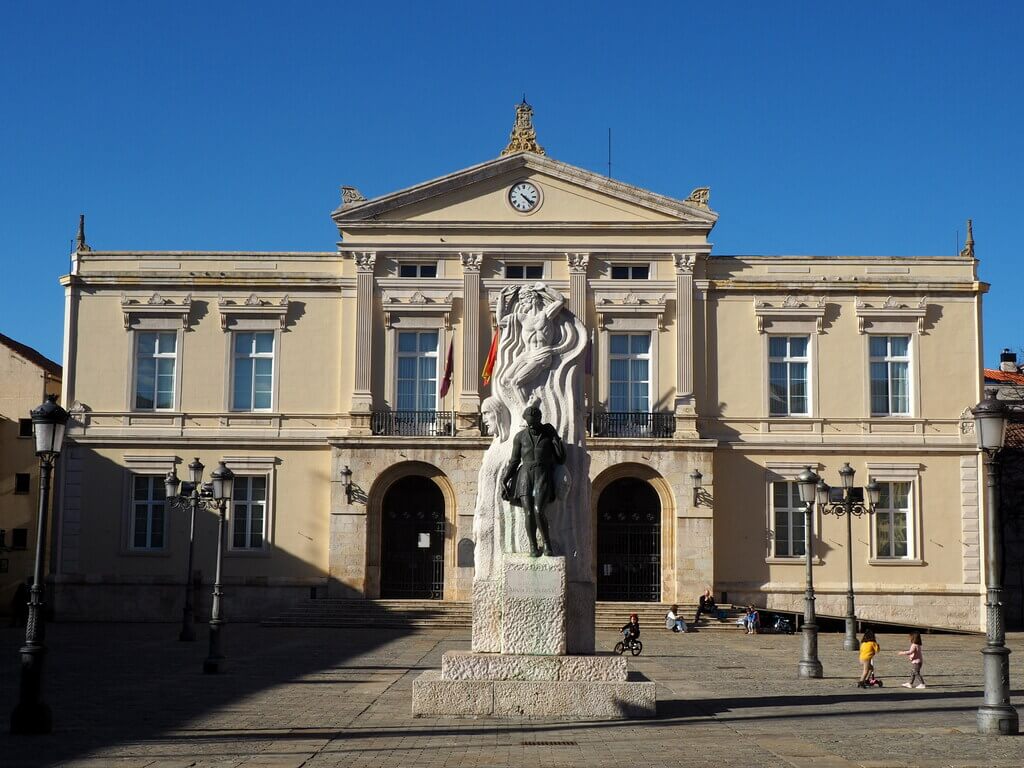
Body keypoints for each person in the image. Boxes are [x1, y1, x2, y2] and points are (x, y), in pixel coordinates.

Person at [500, 405, 566, 557]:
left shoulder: (548, 435)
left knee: (538, 510)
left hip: (542, 475)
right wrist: (506, 478)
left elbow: (561, 459)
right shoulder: (520, 437)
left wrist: (556, 438)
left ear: (539, 420)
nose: (531, 427)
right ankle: (533, 546)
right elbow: (514, 461)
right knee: (528, 512)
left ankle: (547, 544)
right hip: (524, 476)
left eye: (534, 424)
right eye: (529, 424)